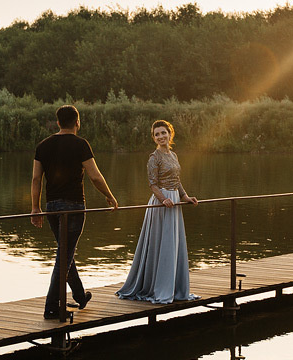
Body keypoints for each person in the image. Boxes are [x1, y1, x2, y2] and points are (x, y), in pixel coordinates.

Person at [31, 104, 118, 319]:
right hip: (74, 207)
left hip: (51, 207)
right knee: (64, 256)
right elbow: (95, 176)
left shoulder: (43, 146)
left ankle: (79, 295)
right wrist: (109, 195)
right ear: (78, 122)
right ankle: (51, 307)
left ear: (58, 122)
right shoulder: (81, 144)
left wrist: (35, 207)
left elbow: (35, 179)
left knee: (65, 252)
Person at [117, 119, 199, 304]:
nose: (161, 137)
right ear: (154, 138)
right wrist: (164, 199)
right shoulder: (154, 158)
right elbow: (153, 184)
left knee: (173, 245)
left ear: (170, 134)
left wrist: (185, 197)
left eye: (164, 133)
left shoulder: (174, 155)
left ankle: (174, 287)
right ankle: (158, 287)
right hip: (161, 205)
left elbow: (177, 181)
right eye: (157, 134)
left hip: (175, 203)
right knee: (162, 245)